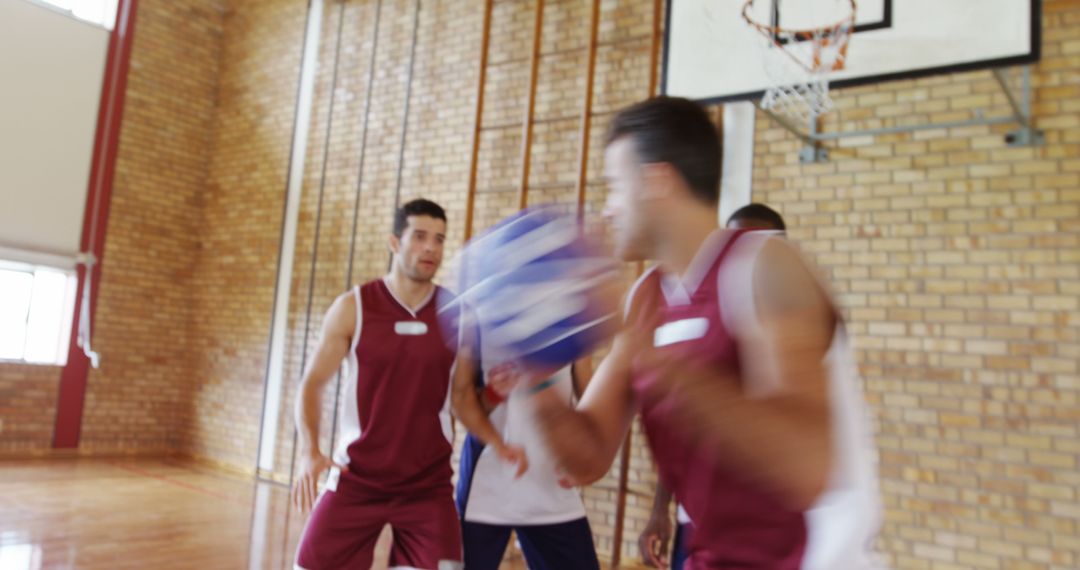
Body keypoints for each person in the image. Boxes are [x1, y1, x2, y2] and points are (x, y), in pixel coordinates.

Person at [528, 97, 881, 569]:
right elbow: (587, 457)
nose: (608, 210)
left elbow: (808, 469)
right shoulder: (645, 298)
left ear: (656, 181)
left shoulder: (767, 266)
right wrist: (534, 374)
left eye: (615, 186)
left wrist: (655, 360)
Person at [291, 199, 463, 570]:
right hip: (358, 478)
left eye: (439, 239)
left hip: (427, 487)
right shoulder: (354, 307)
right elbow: (312, 383)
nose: (431, 247)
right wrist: (309, 450)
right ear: (394, 242)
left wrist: (499, 392)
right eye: (419, 236)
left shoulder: (457, 315)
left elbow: (466, 397)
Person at [638, 203, 787, 569]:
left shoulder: (797, 342)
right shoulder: (706, 333)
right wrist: (660, 509)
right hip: (698, 525)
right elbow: (682, 430)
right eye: (734, 245)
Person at [451, 333, 601, 570]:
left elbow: (591, 399)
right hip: (487, 485)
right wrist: (493, 394)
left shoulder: (572, 314)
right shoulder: (477, 309)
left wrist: (583, 455)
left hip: (553, 482)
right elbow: (461, 403)